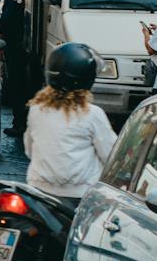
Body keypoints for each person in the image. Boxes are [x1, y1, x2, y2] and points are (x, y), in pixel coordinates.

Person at [23, 42, 116, 204]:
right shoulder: (92, 114)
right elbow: (110, 155)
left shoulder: (37, 109)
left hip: (38, 190)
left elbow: (29, 150)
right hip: (80, 194)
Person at [0, 0, 32, 138]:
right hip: (9, 43)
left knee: (18, 86)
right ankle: (17, 121)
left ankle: (20, 123)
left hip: (18, 45)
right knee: (14, 84)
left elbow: (12, 18)